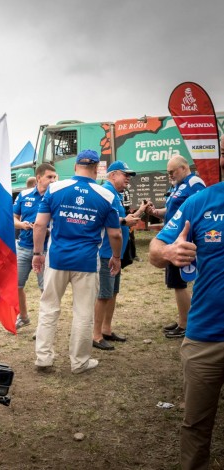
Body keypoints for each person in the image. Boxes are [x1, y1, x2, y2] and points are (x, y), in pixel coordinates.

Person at [148, 137, 224, 469]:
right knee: (196, 425)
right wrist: (168, 251)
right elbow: (154, 250)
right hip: (207, 336)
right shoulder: (201, 201)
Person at [32, 149, 121, 374]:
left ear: (75, 167)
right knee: (83, 312)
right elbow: (115, 234)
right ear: (96, 169)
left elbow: (40, 224)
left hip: (57, 258)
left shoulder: (55, 188)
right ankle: (79, 362)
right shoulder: (106, 195)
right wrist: (116, 257)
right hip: (87, 262)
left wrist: (37, 253)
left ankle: (43, 357)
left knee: (49, 307)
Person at [146, 155, 205, 338]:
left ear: (184, 168)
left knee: (179, 283)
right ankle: (183, 319)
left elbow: (201, 209)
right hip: (171, 240)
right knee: (175, 283)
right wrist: (156, 212)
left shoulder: (194, 183)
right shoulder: (177, 186)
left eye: (172, 171)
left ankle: (186, 325)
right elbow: (173, 211)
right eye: (168, 172)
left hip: (182, 241)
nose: (170, 175)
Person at [92, 162, 149, 350]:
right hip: (105, 253)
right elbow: (101, 219)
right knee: (103, 295)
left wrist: (140, 211)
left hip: (115, 254)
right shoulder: (105, 192)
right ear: (113, 174)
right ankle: (96, 335)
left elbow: (123, 221)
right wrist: (125, 221)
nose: (128, 179)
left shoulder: (115, 194)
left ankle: (106, 329)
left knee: (112, 292)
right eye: (125, 175)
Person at [13, 163, 57, 328]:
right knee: (16, 285)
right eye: (49, 177)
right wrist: (22, 225)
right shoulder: (24, 195)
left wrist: (48, 231)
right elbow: (13, 218)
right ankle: (23, 316)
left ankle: (44, 325)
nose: (53, 180)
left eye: (54, 177)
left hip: (45, 250)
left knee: (45, 289)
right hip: (23, 247)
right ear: (39, 178)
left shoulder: (56, 197)